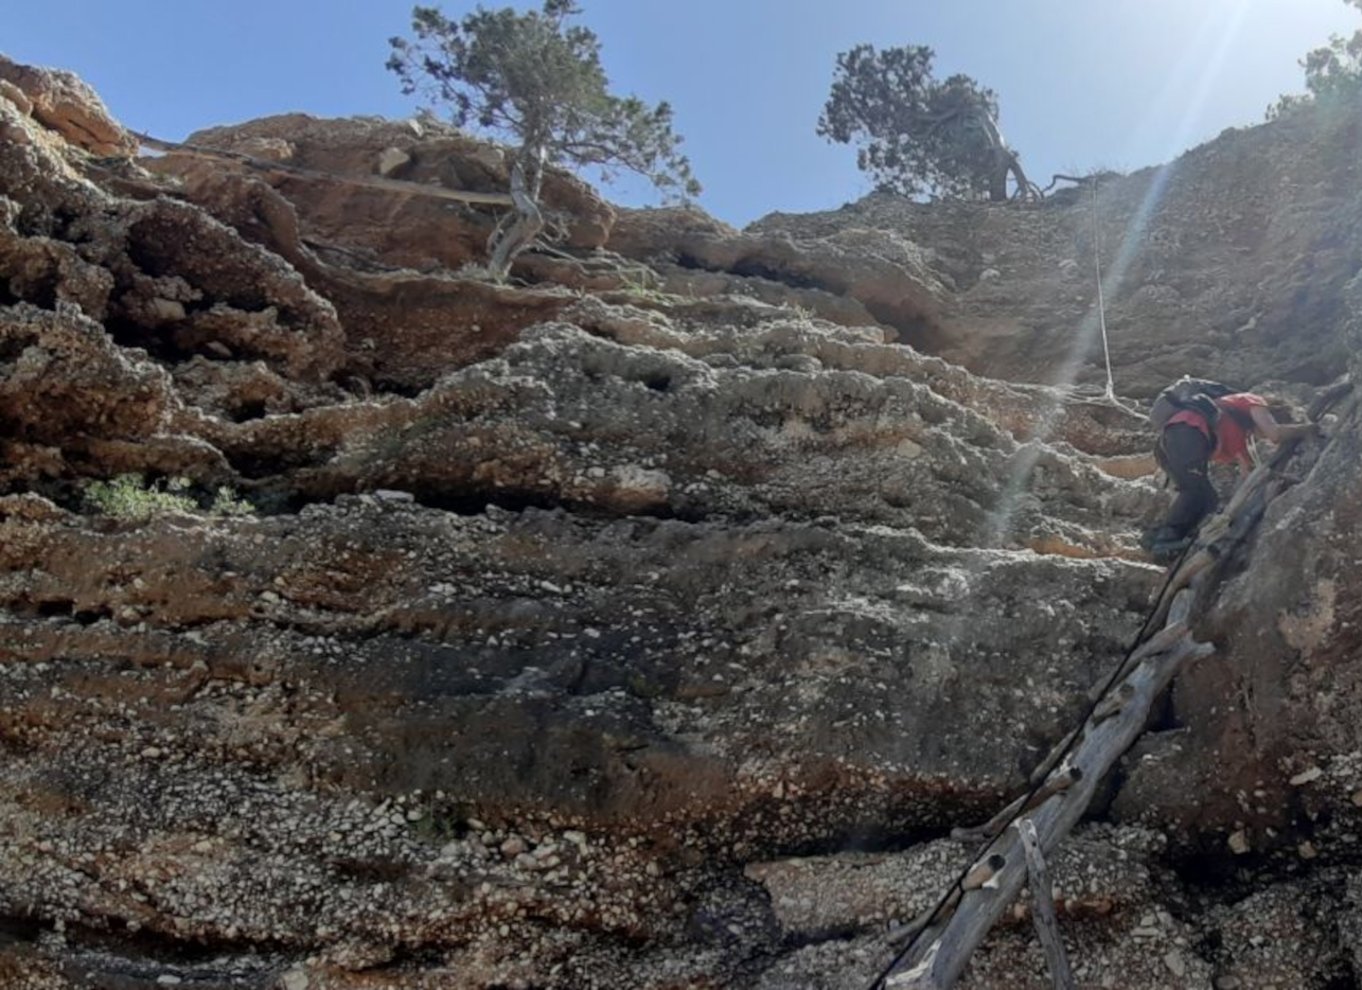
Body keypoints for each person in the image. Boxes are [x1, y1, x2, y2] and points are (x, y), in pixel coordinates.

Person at [1145, 387, 1317, 560]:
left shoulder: (1240, 433)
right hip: (1186, 433)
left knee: (1208, 498)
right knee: (1195, 491)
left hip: (1171, 441)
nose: (1263, 438)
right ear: (1274, 415)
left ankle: (1160, 538)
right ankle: (1166, 539)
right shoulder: (1255, 402)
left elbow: (1249, 472)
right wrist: (1308, 429)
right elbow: (1275, 434)